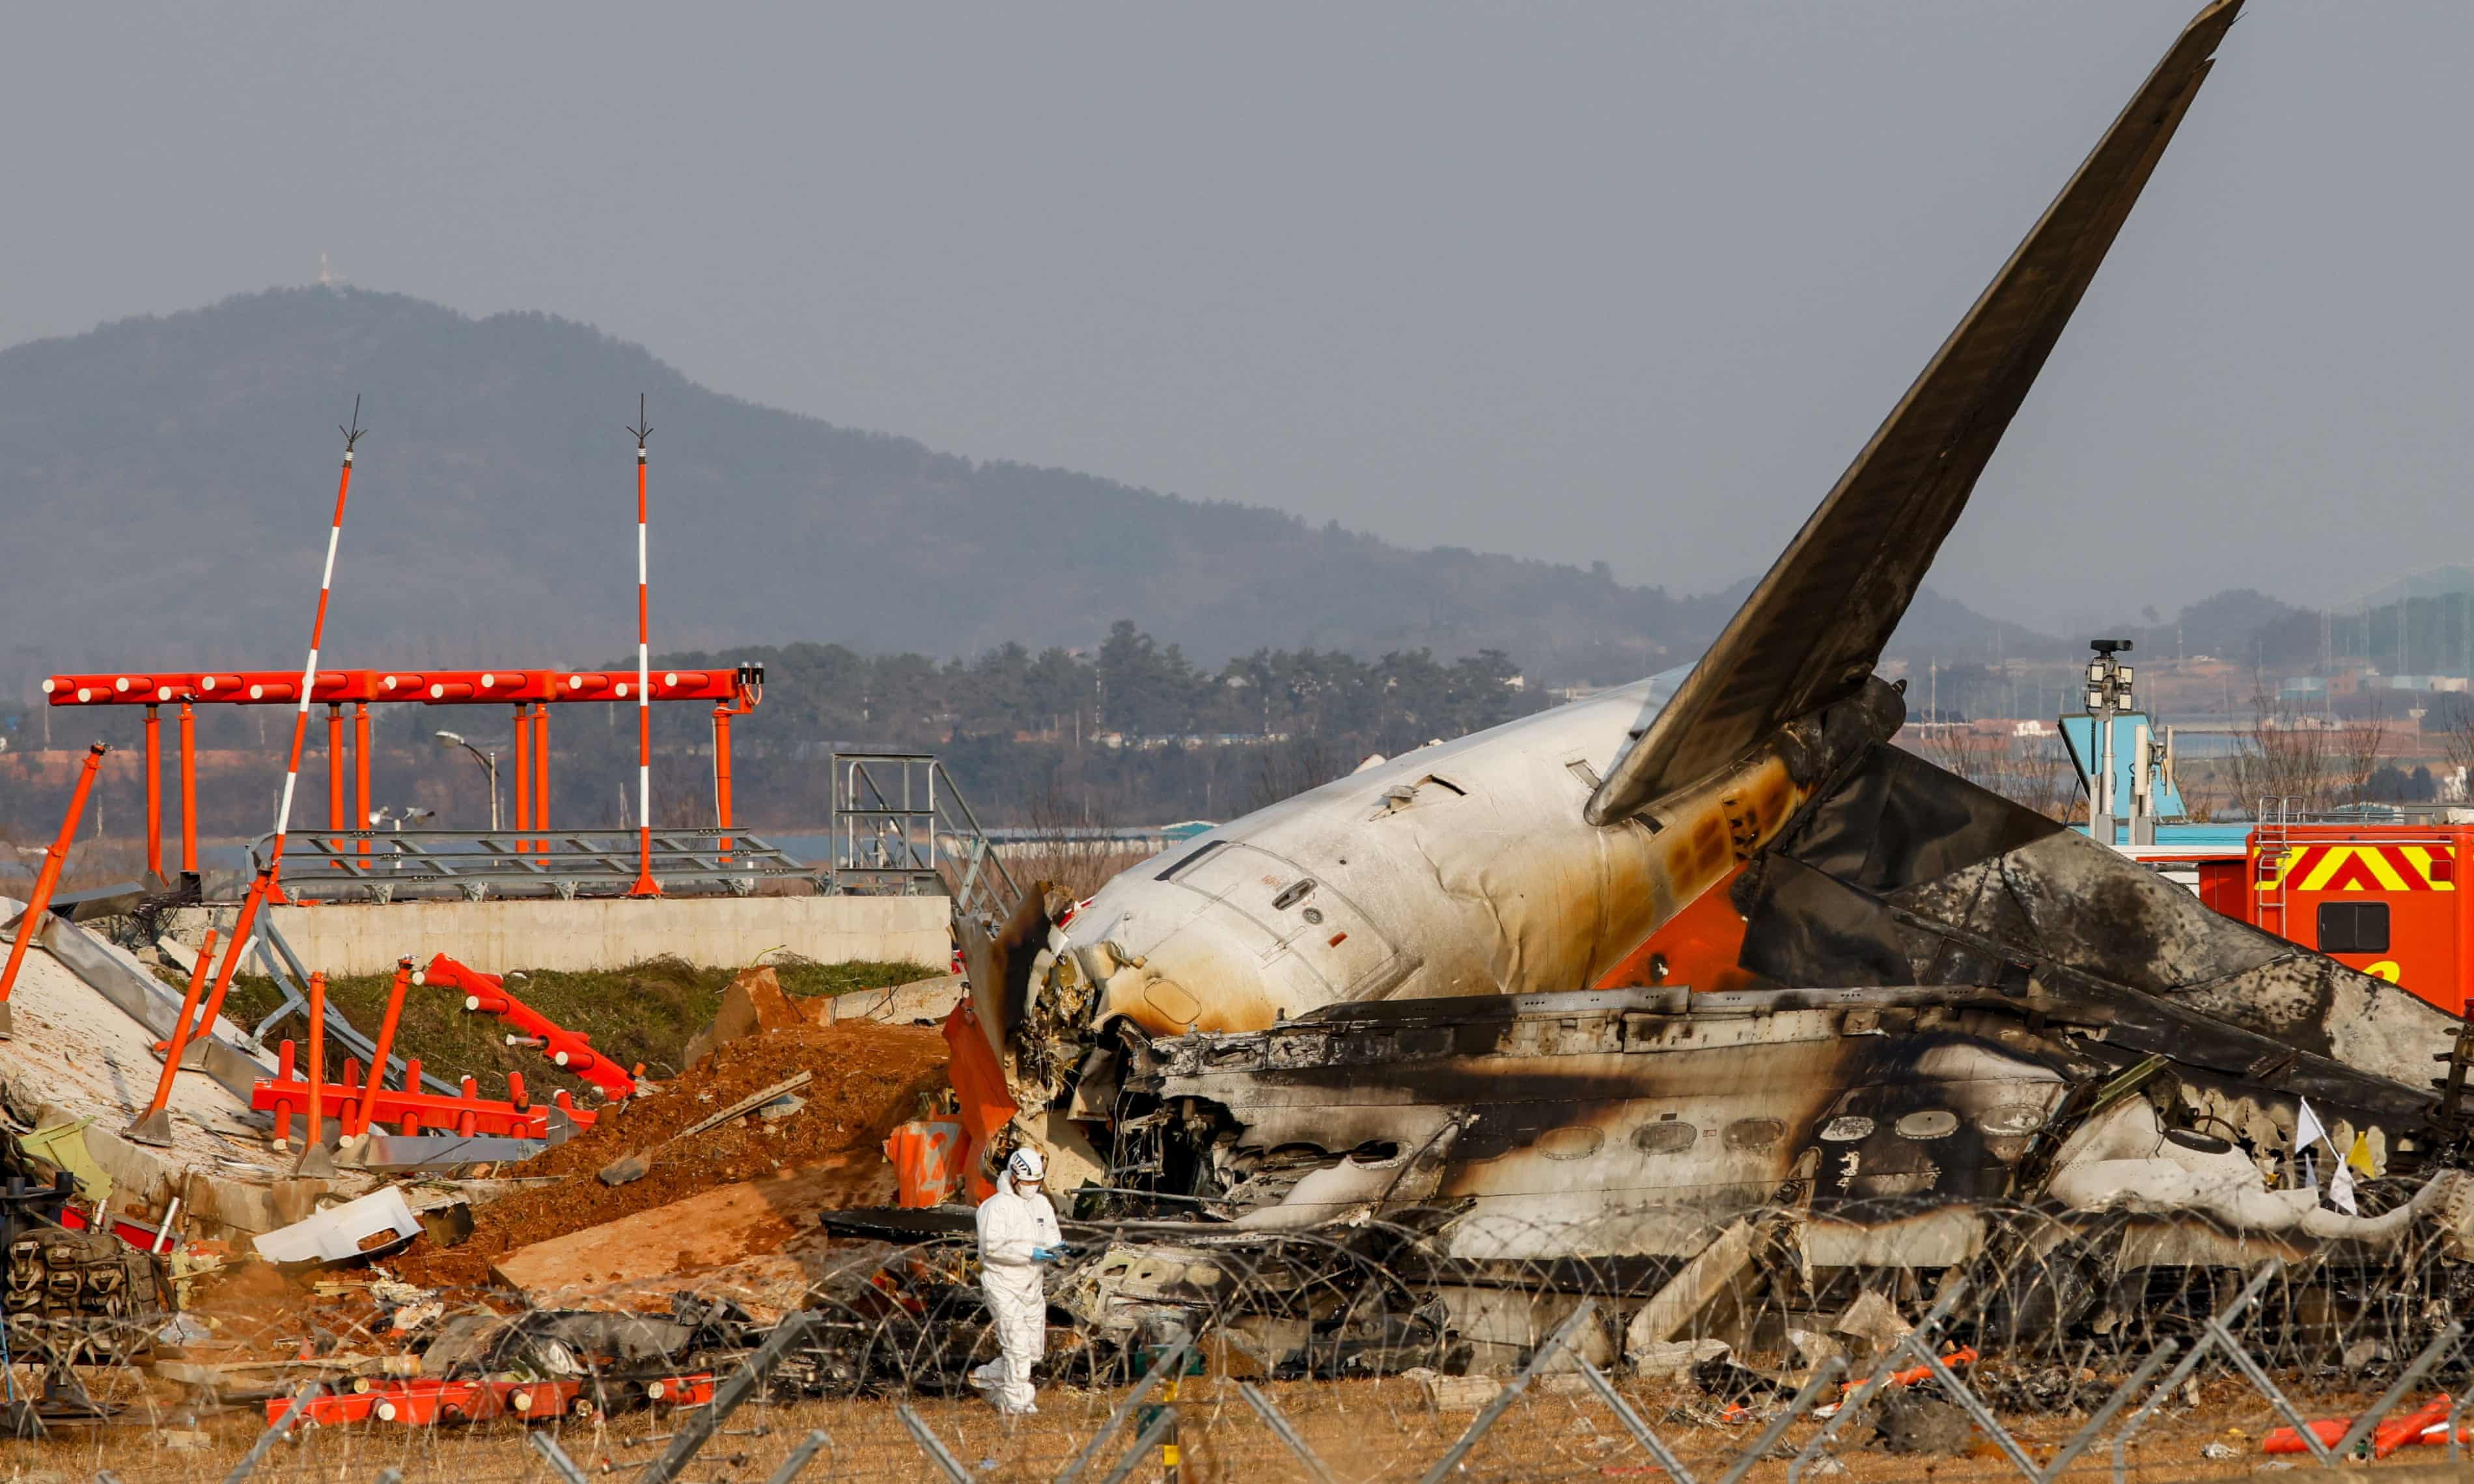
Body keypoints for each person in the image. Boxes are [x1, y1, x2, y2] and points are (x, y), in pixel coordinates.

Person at [971, 1146, 1063, 1415]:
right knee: (1017, 1346)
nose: (1032, 1187)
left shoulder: (1041, 1204)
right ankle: (1016, 1402)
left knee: (1033, 1351)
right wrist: (1029, 1252)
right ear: (1013, 1177)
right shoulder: (995, 1208)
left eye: (1037, 1182)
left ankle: (985, 1378)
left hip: (1032, 1285)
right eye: (1027, 1182)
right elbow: (992, 1248)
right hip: (1003, 1284)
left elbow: (1051, 1233)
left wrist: (1056, 1248)